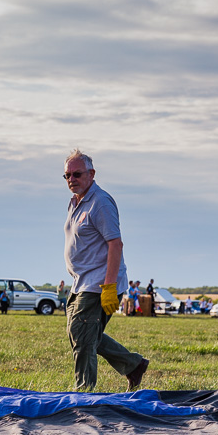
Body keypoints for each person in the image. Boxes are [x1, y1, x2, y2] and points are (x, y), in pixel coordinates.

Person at [62, 148, 149, 392]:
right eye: (67, 176)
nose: (71, 179)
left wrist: (109, 287)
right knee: (83, 333)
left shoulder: (100, 202)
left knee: (82, 336)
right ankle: (133, 364)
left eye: (76, 174)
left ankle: (84, 392)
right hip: (81, 282)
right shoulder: (76, 202)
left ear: (91, 173)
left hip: (98, 283)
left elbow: (115, 243)